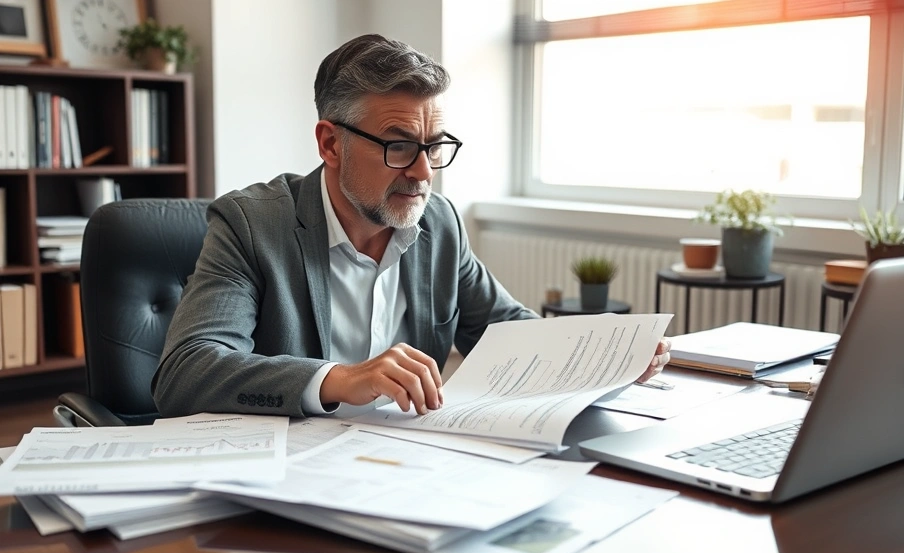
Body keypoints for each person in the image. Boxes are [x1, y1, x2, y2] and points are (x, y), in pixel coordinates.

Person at [152, 34, 671, 418]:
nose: (423, 173)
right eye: (399, 146)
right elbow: (185, 372)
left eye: (434, 146)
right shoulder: (251, 224)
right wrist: (339, 378)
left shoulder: (438, 223)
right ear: (331, 143)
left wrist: (609, 352)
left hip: (408, 465)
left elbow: (508, 330)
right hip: (288, 482)